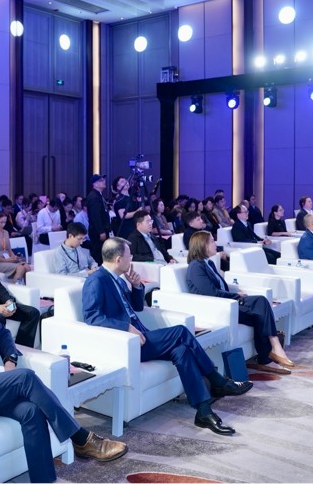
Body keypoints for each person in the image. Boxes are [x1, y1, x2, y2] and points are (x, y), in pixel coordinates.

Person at [0, 253, 128, 482]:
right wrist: (4, 372)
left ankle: (44, 479)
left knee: (31, 412)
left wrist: (9, 360)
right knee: (25, 378)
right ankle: (81, 438)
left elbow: (2, 334)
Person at [83, 237, 252, 435]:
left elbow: (136, 308)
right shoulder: (96, 280)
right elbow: (92, 316)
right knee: (181, 331)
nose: (132, 259)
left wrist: (136, 286)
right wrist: (125, 327)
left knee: (182, 351)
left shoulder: (117, 278)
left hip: (142, 336)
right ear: (118, 259)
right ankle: (217, 381)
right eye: (129, 256)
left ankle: (204, 411)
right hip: (127, 344)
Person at [185, 231, 293, 374]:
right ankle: (275, 346)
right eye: (211, 241)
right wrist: (236, 296)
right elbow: (211, 293)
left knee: (260, 315)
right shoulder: (196, 267)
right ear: (202, 245)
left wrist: (235, 293)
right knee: (260, 301)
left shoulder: (208, 263)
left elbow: (221, 287)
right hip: (218, 307)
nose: (215, 244)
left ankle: (266, 358)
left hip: (226, 303)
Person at [0, 211, 30, 283]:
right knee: (20, 268)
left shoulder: (6, 232)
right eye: (1, 222)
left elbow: (9, 249)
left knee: (27, 266)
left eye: (5, 222)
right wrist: (6, 260)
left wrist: (13, 257)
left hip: (8, 259)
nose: (3, 224)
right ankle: (15, 288)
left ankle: (26, 287)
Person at [85, 174, 110, 265]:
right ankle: (96, 269)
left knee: (102, 252)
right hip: (97, 231)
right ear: (95, 184)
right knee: (98, 254)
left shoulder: (99, 195)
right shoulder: (94, 197)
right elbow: (96, 216)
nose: (104, 182)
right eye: (100, 181)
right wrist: (101, 231)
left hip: (101, 229)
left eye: (103, 180)